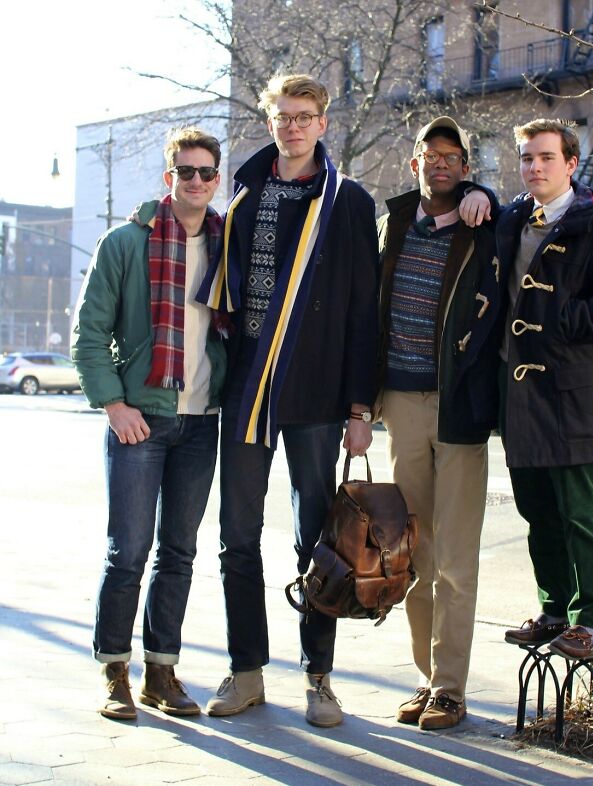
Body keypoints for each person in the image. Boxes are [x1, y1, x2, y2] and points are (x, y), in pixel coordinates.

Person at [197, 74, 378, 727]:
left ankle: (320, 678)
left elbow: (364, 308)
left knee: (315, 539)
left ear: (324, 123)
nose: (295, 126)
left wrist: (361, 410)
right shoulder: (243, 195)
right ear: (270, 120)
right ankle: (246, 672)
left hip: (318, 393)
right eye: (285, 116)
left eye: (306, 116)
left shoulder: (348, 201)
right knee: (236, 536)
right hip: (248, 387)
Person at [461, 118, 593, 659]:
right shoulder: (515, 215)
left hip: (571, 392)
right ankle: (552, 611)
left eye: (545, 157)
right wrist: (475, 190)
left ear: (570, 163)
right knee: (536, 512)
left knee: (581, 513)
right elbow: (476, 208)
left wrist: (561, 320)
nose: (534, 167)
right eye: (526, 158)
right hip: (516, 391)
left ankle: (588, 620)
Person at [71, 127, 227, 719]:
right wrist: (114, 404)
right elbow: (89, 336)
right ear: (169, 178)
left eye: (206, 172)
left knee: (180, 553)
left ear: (216, 179)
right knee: (128, 552)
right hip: (140, 420)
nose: (195, 181)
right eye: (184, 172)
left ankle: (162, 671)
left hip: (201, 421)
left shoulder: (226, 245)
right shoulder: (125, 244)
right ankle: (115, 670)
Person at [375, 117, 500, 730]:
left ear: (467, 168)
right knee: (414, 552)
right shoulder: (392, 225)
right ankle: (426, 682)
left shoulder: (484, 228)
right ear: (415, 162)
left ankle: (452, 685)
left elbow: (529, 207)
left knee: (455, 556)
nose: (442, 163)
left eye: (454, 156)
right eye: (432, 154)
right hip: (400, 404)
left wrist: (492, 198)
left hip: (460, 409)